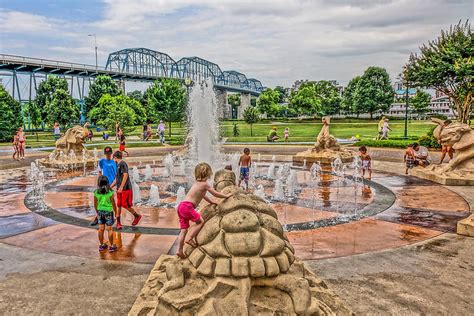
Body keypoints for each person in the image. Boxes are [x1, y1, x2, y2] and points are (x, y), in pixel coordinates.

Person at [176, 162, 231, 259]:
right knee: (200, 221)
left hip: (181, 207)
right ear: (208, 174)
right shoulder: (205, 184)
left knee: (183, 230)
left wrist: (211, 202)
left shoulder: (196, 184)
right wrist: (226, 196)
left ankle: (179, 250)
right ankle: (190, 238)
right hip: (188, 207)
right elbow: (215, 193)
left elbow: (203, 195)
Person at [111, 151, 142, 230]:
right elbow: (117, 178)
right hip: (120, 189)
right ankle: (118, 222)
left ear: (115, 157)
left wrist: (121, 187)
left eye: (113, 158)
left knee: (125, 205)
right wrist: (110, 186)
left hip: (126, 188)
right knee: (118, 204)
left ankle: (137, 216)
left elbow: (125, 175)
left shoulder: (122, 164)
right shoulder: (117, 164)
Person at [90, 146, 118, 226]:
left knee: (111, 201)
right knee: (100, 202)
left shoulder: (114, 162)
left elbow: (117, 176)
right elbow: (99, 173)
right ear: (104, 154)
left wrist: (111, 186)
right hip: (102, 184)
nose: (108, 155)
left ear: (111, 154)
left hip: (112, 185)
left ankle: (114, 217)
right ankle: (97, 217)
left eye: (109, 154)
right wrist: (99, 184)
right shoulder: (101, 162)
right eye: (106, 154)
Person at [94, 175, 118, 253]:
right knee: (110, 229)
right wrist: (116, 212)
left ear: (99, 183)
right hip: (108, 212)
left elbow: (95, 204)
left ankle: (101, 245)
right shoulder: (110, 192)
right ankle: (111, 246)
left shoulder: (96, 192)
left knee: (101, 229)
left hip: (100, 211)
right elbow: (113, 203)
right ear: (107, 183)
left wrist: (97, 213)